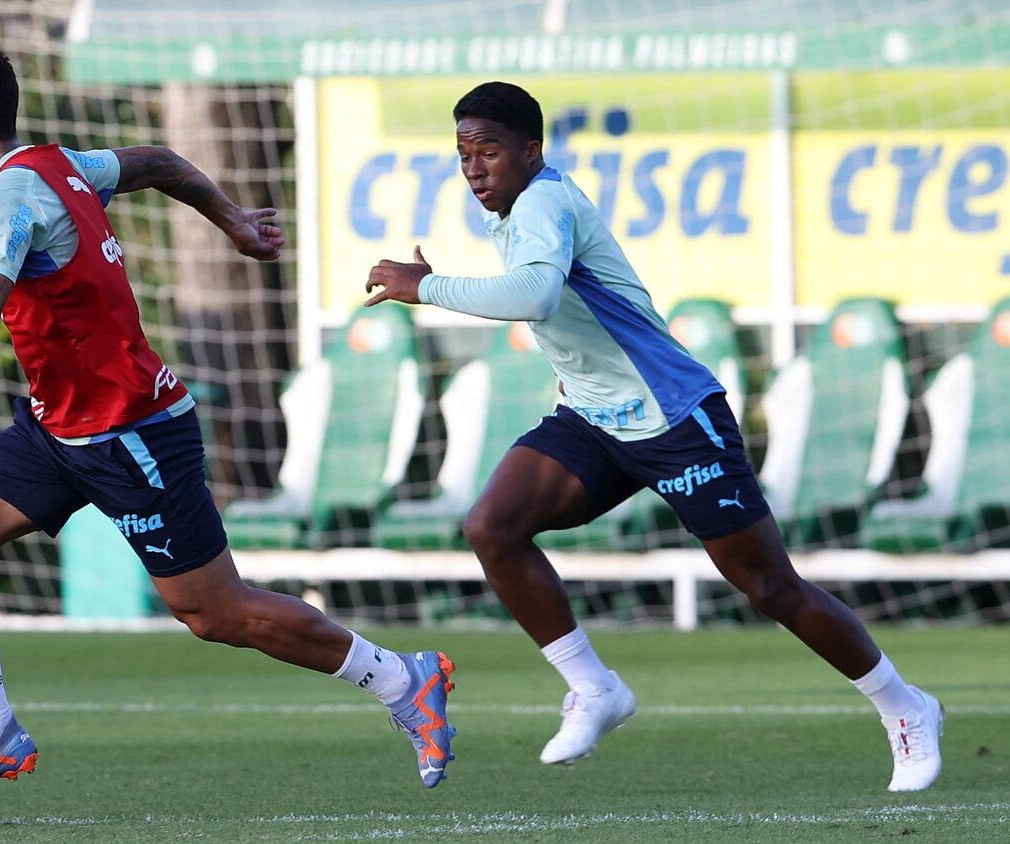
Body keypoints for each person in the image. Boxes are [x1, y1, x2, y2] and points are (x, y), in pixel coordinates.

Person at [0, 35, 456, 816]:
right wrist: (233, 221)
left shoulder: (7, 198)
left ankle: (401, 679)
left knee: (214, 613)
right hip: (58, 428)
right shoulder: (61, 164)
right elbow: (155, 161)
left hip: (133, 433)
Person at [364, 81, 942, 792]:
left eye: (488, 151)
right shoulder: (512, 211)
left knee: (769, 588)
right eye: (463, 154)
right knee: (493, 525)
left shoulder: (545, 198)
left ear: (531, 151)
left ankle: (906, 707)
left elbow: (535, 296)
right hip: (594, 417)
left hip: (672, 418)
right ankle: (595, 688)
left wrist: (425, 287)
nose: (474, 167)